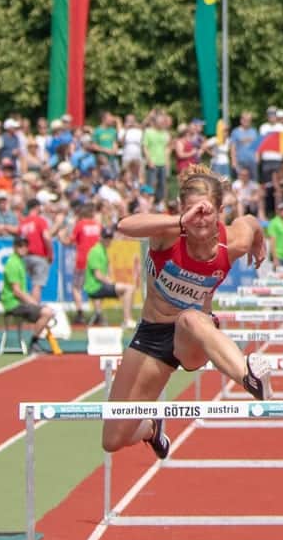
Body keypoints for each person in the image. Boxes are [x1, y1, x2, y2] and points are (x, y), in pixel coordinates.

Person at [102, 167, 269, 460]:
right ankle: (151, 429)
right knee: (113, 439)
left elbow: (251, 221)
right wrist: (180, 221)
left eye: (208, 213)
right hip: (152, 335)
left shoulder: (232, 243)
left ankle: (251, 378)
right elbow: (125, 226)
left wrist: (258, 240)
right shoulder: (167, 234)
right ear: (182, 210)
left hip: (194, 336)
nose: (201, 220)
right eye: (193, 212)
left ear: (220, 211)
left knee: (189, 317)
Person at [0, 231, 60, 353]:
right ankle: (34, 342)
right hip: (13, 304)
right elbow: (17, 291)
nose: (23, 248)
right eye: (20, 245)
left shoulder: (19, 262)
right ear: (15, 247)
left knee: (47, 311)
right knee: (47, 313)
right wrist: (34, 303)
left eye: (25, 245)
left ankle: (35, 340)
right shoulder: (13, 263)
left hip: (18, 302)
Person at [82, 225, 135, 327]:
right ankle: (127, 319)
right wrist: (111, 283)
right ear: (101, 238)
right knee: (129, 288)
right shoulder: (96, 251)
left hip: (99, 286)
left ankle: (126, 319)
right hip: (94, 288)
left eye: (110, 238)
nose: (108, 241)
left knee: (127, 288)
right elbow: (98, 275)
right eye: (106, 238)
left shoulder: (102, 250)